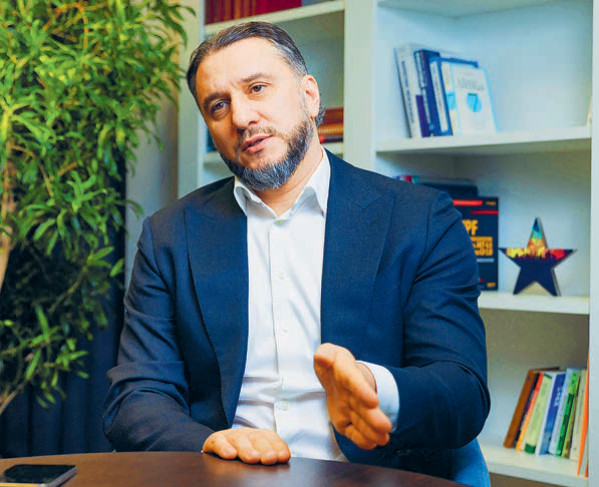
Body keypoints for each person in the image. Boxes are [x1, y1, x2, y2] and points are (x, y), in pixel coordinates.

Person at [103, 21, 490, 480]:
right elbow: (136, 397)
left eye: (257, 88)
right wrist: (209, 442)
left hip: (369, 477)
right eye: (218, 105)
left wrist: (374, 389)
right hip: (227, 478)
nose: (241, 117)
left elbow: (462, 389)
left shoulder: (420, 219)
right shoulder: (170, 235)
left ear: (309, 96)